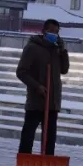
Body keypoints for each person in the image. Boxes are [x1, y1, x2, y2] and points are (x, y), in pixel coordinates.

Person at [16, 18, 69, 156]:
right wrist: (37, 86)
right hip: (36, 100)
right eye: (51, 31)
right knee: (28, 134)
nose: (54, 34)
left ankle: (46, 164)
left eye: (57, 32)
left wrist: (63, 52)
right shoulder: (32, 48)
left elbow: (64, 69)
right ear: (44, 31)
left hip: (52, 101)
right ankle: (25, 162)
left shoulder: (57, 49)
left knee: (50, 138)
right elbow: (21, 72)